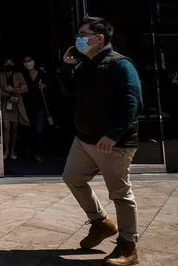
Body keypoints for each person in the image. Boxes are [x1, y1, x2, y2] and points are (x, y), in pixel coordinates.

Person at [59, 16, 143, 266]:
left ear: (100, 38)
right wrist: (67, 66)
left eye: (84, 35)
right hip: (84, 140)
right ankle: (101, 223)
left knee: (120, 193)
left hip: (113, 143)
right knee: (72, 178)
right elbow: (66, 89)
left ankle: (129, 246)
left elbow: (133, 102)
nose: (79, 39)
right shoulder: (84, 64)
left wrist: (114, 133)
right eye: (79, 34)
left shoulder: (120, 64)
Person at [0, 58, 29, 160]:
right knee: (6, 127)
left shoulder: (18, 75)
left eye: (11, 62)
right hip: (5, 104)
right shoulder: (0, 75)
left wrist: (13, 90)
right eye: (7, 63)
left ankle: (13, 150)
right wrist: (8, 96)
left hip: (16, 104)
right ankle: (6, 150)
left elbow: (25, 89)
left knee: (14, 129)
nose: (9, 65)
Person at [22, 55, 48, 163]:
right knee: (28, 129)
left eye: (29, 60)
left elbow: (51, 89)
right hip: (26, 105)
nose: (28, 63)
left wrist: (45, 87)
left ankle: (39, 152)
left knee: (39, 129)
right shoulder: (22, 76)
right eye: (25, 61)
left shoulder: (42, 75)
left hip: (40, 106)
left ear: (34, 61)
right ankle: (29, 151)